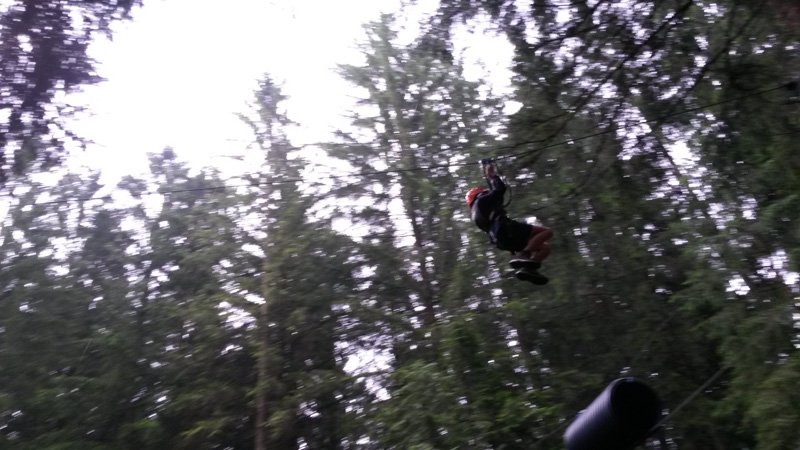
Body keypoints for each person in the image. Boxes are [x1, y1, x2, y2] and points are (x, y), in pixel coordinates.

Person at [465, 159, 552, 284]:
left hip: (502, 241)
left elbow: (497, 198)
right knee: (546, 232)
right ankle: (525, 254)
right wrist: (492, 176)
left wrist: (489, 176)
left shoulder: (477, 213)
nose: (487, 193)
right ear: (478, 194)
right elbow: (500, 190)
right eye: (484, 192)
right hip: (506, 230)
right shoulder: (482, 201)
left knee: (544, 248)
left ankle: (528, 268)